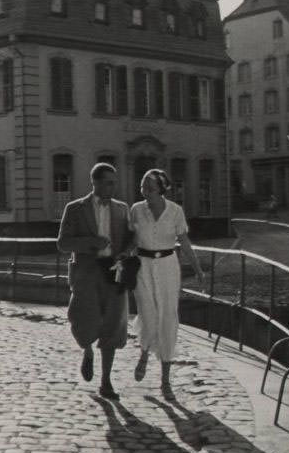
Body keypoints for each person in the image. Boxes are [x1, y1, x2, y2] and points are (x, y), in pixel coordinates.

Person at [57, 163, 133, 400]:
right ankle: (88, 351)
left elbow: (132, 240)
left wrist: (126, 253)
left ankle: (106, 382)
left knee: (113, 326)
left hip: (114, 272)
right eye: (108, 182)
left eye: (114, 182)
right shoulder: (75, 209)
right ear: (95, 182)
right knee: (82, 320)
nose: (113, 187)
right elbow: (63, 244)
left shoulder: (122, 209)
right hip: (86, 272)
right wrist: (91, 242)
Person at [130, 168, 205, 396]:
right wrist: (122, 261)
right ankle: (144, 352)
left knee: (167, 318)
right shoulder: (136, 210)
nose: (145, 192)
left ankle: (165, 380)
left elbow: (183, 241)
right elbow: (131, 240)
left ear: (161, 189)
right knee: (148, 314)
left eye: (150, 188)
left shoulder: (175, 211)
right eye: (143, 187)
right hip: (142, 266)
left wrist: (198, 268)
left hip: (167, 266)